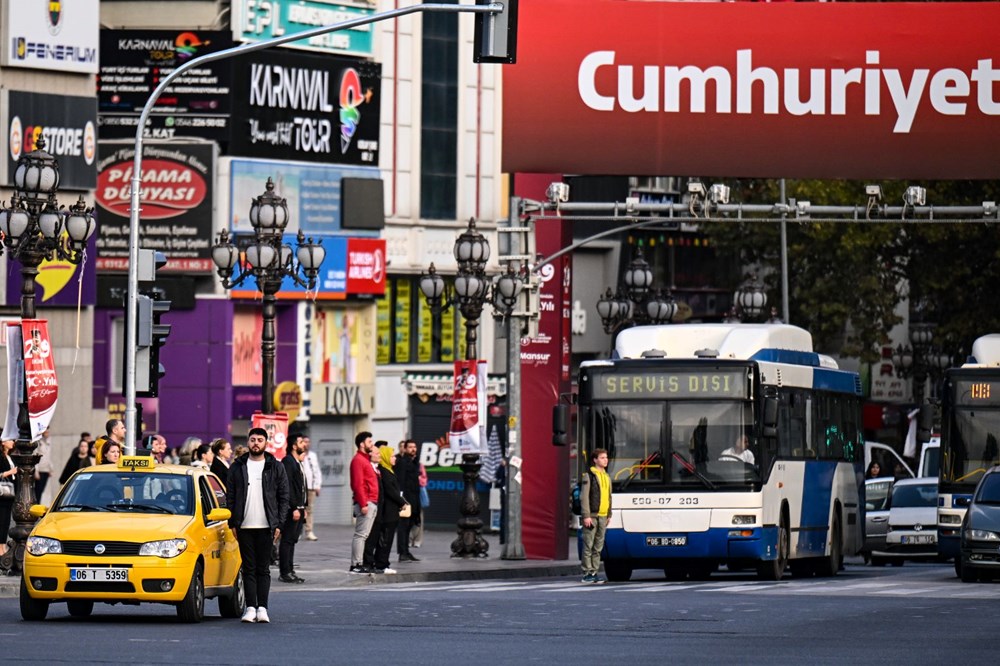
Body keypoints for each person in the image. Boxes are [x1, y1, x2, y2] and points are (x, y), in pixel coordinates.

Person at [226, 427, 289, 624]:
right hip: (243, 525)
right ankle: (250, 607)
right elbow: (230, 496)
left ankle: (263, 608)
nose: (255, 443)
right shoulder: (237, 466)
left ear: (266, 443)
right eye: (252, 439)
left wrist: (278, 523)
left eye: (259, 440)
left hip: (267, 526)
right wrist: (233, 522)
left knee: (264, 569)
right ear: (247, 442)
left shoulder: (275, 467)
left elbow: (284, 497)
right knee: (248, 568)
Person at [580, 448, 612, 584]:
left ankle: (594, 571)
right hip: (592, 515)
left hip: (603, 516)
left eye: (606, 457)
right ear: (595, 460)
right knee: (589, 545)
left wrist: (609, 514)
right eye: (602, 458)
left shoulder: (607, 476)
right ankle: (587, 573)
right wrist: (586, 515)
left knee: (598, 547)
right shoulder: (589, 476)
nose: (606, 460)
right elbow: (584, 497)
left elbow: (609, 497)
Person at [279, 433, 307, 584]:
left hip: (299, 507)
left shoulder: (297, 462)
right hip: (292, 508)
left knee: (293, 540)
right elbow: (287, 486)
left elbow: (301, 486)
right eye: (301, 442)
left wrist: (304, 506)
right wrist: (294, 507)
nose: (304, 445)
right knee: (287, 540)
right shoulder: (288, 461)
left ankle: (290, 569)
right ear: (294, 446)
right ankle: (285, 572)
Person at [349, 431, 379, 574]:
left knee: (363, 535)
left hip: (371, 501)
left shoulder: (365, 460)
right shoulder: (358, 460)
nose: (372, 444)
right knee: (360, 535)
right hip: (366, 502)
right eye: (369, 442)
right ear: (362, 444)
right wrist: (363, 504)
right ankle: (356, 564)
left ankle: (358, 563)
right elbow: (357, 484)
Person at [373, 444, 406, 574]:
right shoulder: (385, 472)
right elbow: (391, 491)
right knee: (385, 539)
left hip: (392, 510)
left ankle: (383, 562)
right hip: (388, 511)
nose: (394, 458)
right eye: (391, 456)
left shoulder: (389, 470)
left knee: (388, 538)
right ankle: (381, 564)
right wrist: (402, 502)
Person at [394, 439, 421, 563]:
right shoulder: (402, 462)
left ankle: (406, 551)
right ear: (405, 449)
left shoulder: (415, 462)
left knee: (409, 526)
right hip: (406, 499)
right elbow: (400, 482)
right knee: (403, 526)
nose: (413, 449)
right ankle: (402, 553)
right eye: (410, 447)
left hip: (414, 498)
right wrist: (402, 500)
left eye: (414, 446)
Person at [300, 433, 322, 541]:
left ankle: (309, 531)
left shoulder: (312, 455)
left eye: (308, 442)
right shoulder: (298, 455)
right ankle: (298, 531)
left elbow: (316, 471)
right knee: (299, 509)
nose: (307, 444)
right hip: (300, 487)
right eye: (305, 442)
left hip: (311, 487)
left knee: (309, 510)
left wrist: (317, 485)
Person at [0, 439, 18, 558]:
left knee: (6, 521)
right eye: (10, 439)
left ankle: (2, 546)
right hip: (1, 494)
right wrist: (9, 472)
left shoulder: (10, 457)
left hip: (9, 494)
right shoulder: (0, 457)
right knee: (1, 520)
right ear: (2, 442)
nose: (13, 441)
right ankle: (1, 548)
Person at [34, 428, 53, 500]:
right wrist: (36, 471)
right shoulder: (38, 442)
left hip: (46, 470)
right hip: (40, 470)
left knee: (42, 490)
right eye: (45, 430)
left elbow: (48, 456)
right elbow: (35, 456)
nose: (47, 432)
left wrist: (50, 468)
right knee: (38, 491)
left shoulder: (48, 442)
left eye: (48, 430)